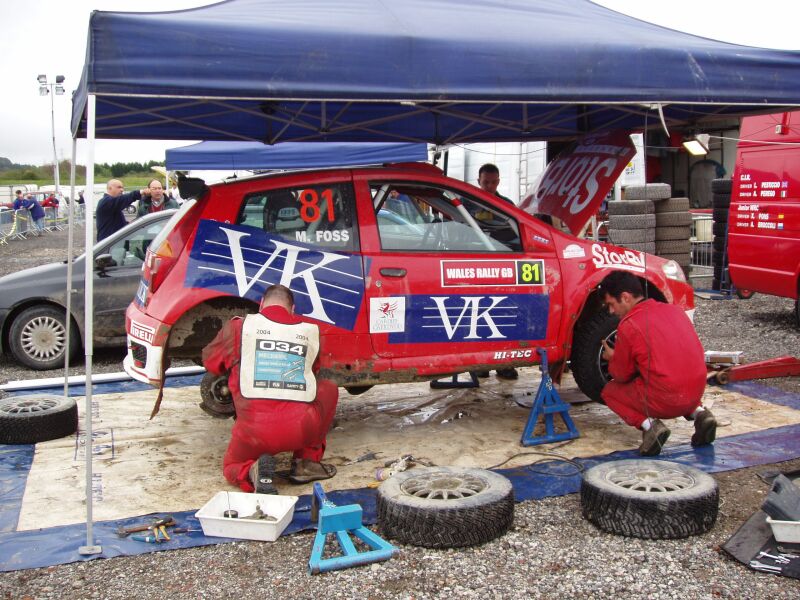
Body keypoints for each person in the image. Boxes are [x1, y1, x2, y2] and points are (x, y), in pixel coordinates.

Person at [202, 284, 339, 494]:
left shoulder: (239, 327)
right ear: (292, 308)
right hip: (300, 427)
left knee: (231, 466)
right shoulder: (310, 331)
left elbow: (211, 362)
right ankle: (306, 462)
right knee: (328, 389)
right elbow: (314, 370)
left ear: (261, 305)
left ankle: (250, 471)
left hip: (252, 433)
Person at [598, 271, 716, 456]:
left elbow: (621, 375)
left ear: (625, 297)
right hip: (696, 391)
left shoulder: (630, 324)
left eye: (611, 304)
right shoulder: (675, 310)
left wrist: (613, 358)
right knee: (674, 373)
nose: (611, 311)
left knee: (610, 392)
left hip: (667, 399)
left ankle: (650, 427)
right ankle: (701, 414)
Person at [473, 163, 519, 380]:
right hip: (473, 268)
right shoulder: (465, 203)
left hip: (502, 269)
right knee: (478, 316)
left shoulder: (507, 206)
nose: (489, 186)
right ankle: (480, 364)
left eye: (493, 182)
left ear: (498, 181)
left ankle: (505, 364)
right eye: (485, 182)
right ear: (478, 181)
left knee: (502, 315)